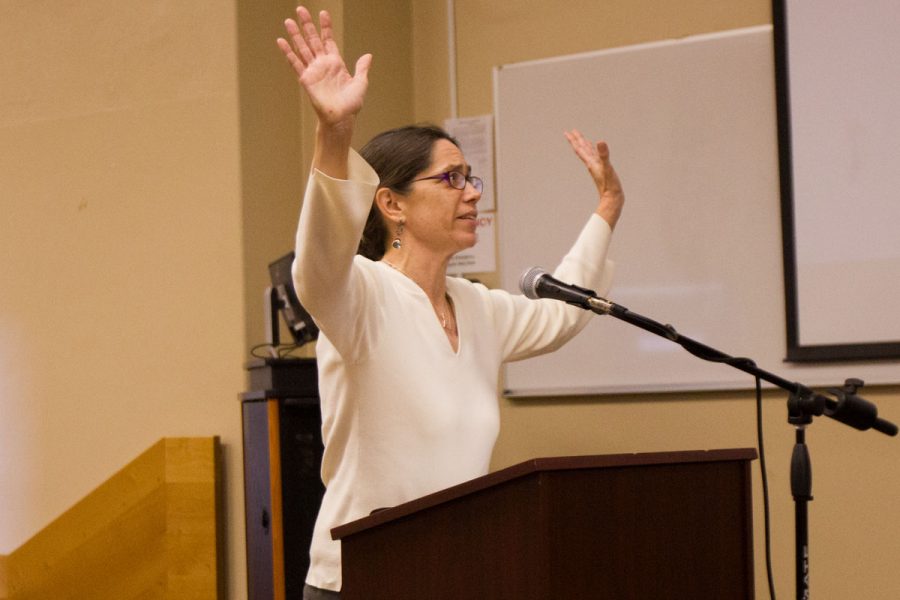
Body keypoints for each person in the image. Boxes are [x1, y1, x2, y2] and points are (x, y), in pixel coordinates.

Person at [277, 6, 625, 599]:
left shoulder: (479, 307)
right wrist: (334, 132)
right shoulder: (362, 295)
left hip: (453, 575)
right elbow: (317, 266)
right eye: (451, 180)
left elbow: (566, 310)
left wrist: (607, 209)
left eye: (471, 178)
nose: (470, 195)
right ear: (392, 205)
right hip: (359, 583)